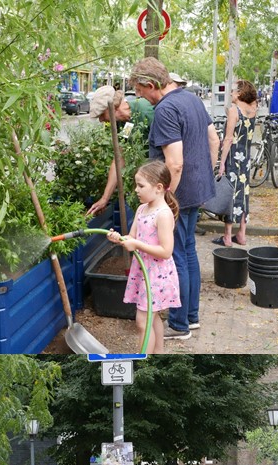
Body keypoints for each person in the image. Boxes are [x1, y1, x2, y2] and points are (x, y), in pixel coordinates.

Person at [130, 57, 218, 342]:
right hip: (197, 188)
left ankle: (179, 324)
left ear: (153, 85)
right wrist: (209, 172)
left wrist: (165, 199)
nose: (141, 98)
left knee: (176, 254)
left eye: (142, 92)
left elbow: (174, 163)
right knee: (188, 251)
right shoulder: (191, 99)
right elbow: (212, 138)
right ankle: (191, 317)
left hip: (178, 192)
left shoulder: (166, 110)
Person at [106, 159, 180, 354]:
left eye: (140, 186)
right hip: (143, 271)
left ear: (158, 188)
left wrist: (137, 244)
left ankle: (141, 362)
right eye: (136, 185)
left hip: (157, 275)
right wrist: (119, 238)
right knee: (152, 318)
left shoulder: (163, 214)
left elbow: (166, 251)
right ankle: (159, 354)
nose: (136, 190)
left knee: (142, 322)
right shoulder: (141, 209)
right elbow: (132, 237)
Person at [86, 85, 155, 217]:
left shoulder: (146, 111)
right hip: (145, 182)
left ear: (113, 107)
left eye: (102, 114)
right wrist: (104, 199)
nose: (101, 120)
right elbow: (119, 158)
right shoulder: (123, 124)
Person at [215, 80, 259, 247]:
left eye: (233, 90)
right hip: (246, 158)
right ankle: (241, 234)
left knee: (230, 193)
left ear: (239, 93)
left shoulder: (234, 111)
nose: (231, 93)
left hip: (234, 157)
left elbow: (228, 139)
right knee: (244, 193)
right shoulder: (253, 110)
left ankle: (227, 236)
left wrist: (222, 162)